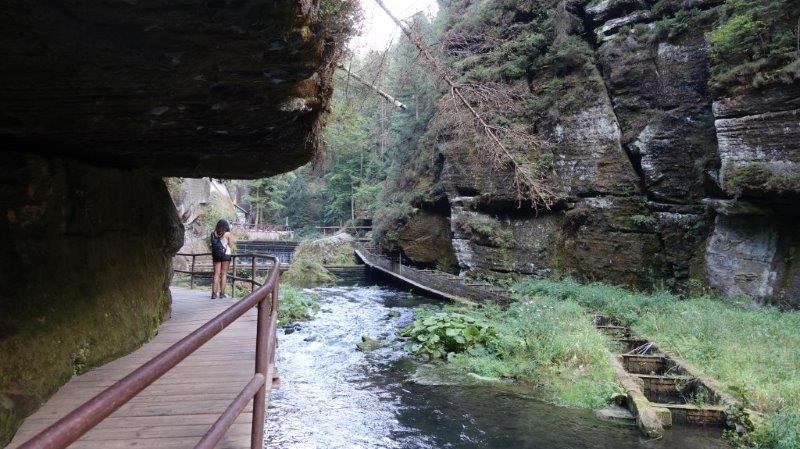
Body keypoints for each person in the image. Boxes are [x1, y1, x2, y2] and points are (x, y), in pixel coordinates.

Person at [210, 219, 234, 299]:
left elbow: (211, 245)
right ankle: (222, 293)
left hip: (216, 255)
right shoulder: (227, 234)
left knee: (216, 274)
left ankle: (214, 294)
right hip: (226, 255)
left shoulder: (213, 233)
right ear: (226, 226)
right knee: (224, 274)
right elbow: (230, 245)